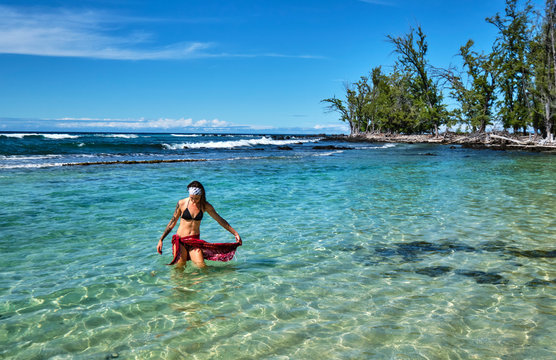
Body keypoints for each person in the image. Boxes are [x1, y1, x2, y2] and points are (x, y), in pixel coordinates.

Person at [157, 181, 242, 268]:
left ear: (201, 196)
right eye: (191, 198)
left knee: (202, 267)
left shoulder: (205, 206)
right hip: (180, 241)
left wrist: (235, 233)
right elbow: (172, 222)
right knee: (180, 268)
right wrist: (161, 239)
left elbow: (220, 220)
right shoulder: (181, 203)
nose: (194, 201)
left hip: (194, 242)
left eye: (196, 198)